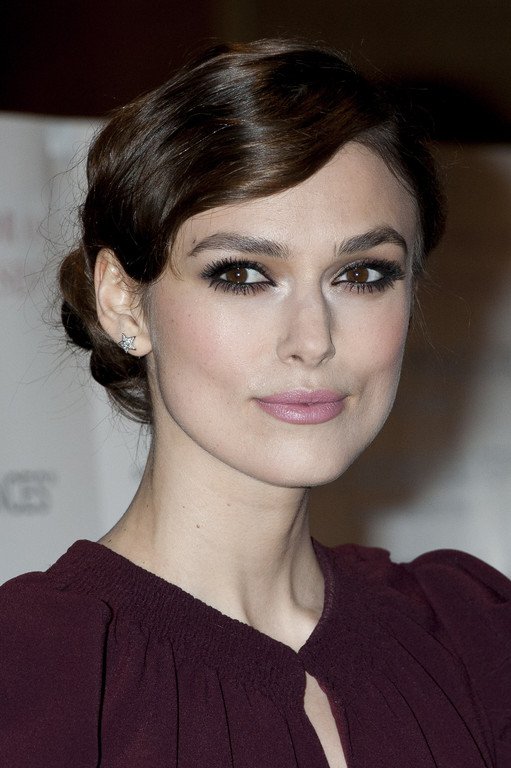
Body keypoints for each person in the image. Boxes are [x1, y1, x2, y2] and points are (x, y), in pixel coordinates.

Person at [0, 39, 509, 768]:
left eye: (363, 274)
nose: (313, 341)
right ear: (123, 302)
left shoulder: (473, 636)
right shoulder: (35, 673)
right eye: (242, 274)